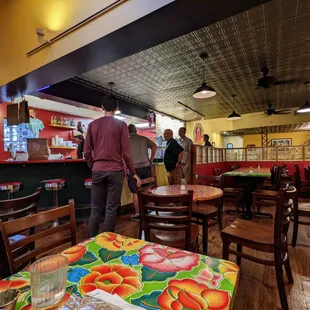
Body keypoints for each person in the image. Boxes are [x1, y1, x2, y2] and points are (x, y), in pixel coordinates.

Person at [84, 95, 141, 237]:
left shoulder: (92, 125)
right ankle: (107, 244)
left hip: (98, 170)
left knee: (95, 209)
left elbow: (86, 151)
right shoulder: (122, 126)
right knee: (110, 209)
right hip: (116, 171)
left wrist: (93, 164)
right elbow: (126, 153)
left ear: (102, 107)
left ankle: (91, 243)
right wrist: (133, 172)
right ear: (116, 108)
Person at [127, 124, 157, 221]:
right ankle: (152, 212)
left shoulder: (126, 141)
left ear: (128, 132)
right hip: (146, 167)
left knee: (135, 192)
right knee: (148, 189)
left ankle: (138, 214)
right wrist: (151, 159)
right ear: (136, 130)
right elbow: (154, 146)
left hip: (133, 169)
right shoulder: (144, 139)